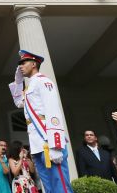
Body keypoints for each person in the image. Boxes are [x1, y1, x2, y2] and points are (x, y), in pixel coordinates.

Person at [8, 50, 73, 193]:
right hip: (37, 143)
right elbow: (19, 103)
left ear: (33, 64)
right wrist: (18, 82)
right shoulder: (29, 86)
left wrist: (56, 144)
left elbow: (53, 111)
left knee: (60, 184)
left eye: (23, 63)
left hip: (48, 140)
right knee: (48, 186)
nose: (20, 66)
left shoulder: (44, 81)